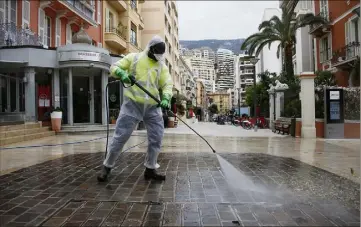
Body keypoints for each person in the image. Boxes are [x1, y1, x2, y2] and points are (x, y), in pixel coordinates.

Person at [97, 36, 173, 182]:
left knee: (156, 138)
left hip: (152, 107)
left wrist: (166, 98)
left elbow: (167, 84)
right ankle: (106, 167)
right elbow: (114, 67)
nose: (157, 57)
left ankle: (150, 169)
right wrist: (122, 74)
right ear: (150, 49)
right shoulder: (134, 58)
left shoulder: (161, 66)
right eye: (155, 54)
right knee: (120, 137)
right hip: (132, 105)